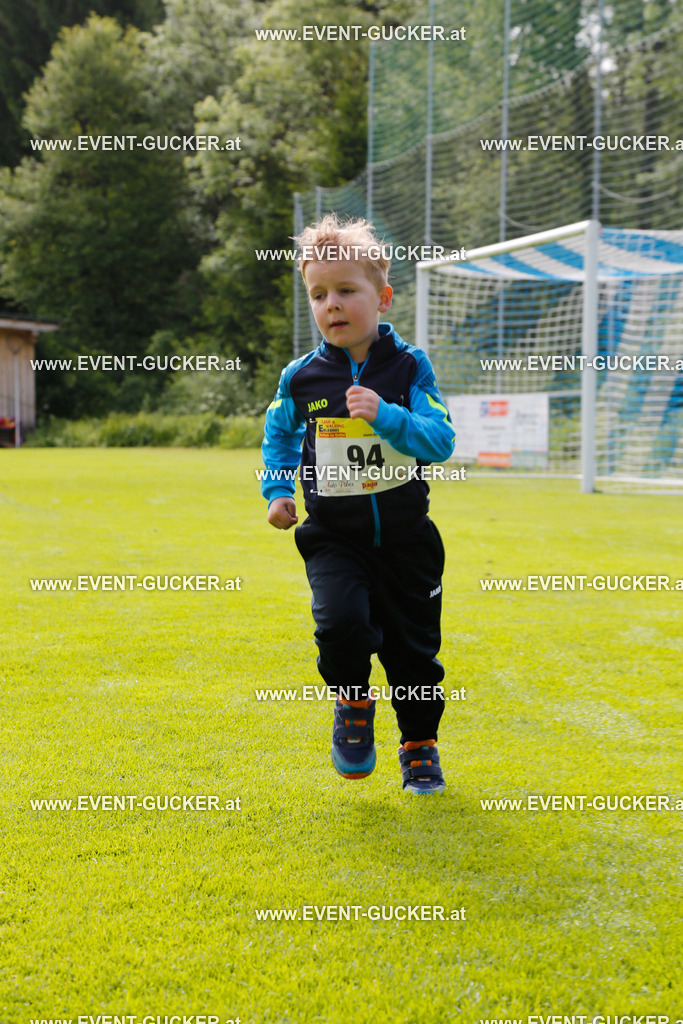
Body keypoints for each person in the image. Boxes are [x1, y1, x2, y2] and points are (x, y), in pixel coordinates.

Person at [260, 213, 455, 794]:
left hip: (406, 542)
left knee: (414, 656)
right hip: (334, 538)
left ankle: (419, 746)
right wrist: (276, 490)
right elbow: (279, 435)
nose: (333, 305)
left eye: (347, 290)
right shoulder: (301, 378)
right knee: (340, 624)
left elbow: (440, 441)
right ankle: (352, 702)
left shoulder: (409, 367)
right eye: (319, 295)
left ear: (383, 297)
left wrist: (387, 416)